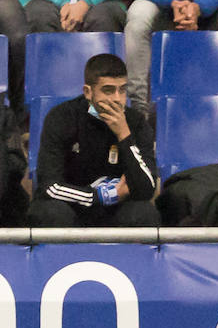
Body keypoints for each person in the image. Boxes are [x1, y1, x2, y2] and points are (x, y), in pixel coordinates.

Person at [29, 54, 158, 229]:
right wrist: (101, 196)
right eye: (108, 90)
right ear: (88, 92)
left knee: (143, 213)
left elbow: (146, 190)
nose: (117, 99)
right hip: (70, 206)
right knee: (50, 213)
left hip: (116, 212)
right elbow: (49, 186)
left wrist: (124, 135)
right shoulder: (62, 117)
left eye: (122, 90)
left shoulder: (135, 123)